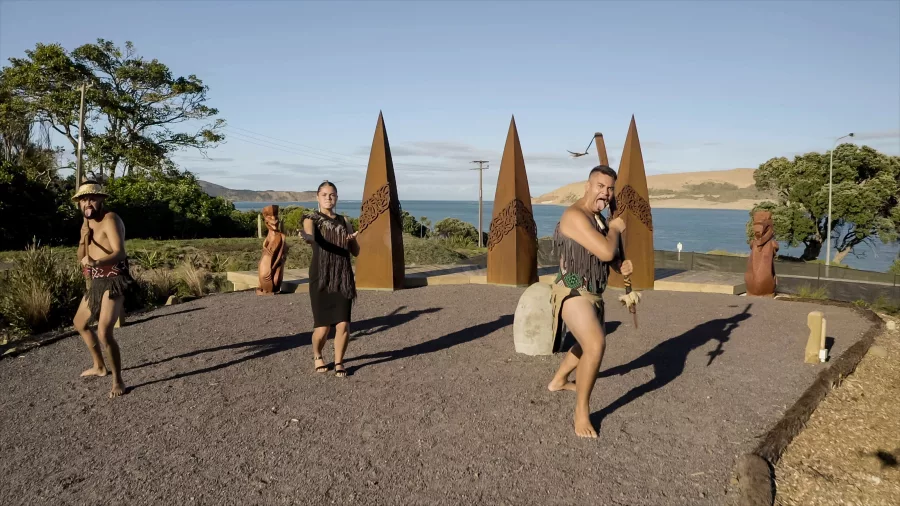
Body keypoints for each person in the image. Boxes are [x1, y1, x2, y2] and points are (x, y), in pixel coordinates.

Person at [545, 165, 634, 438]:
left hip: (594, 293)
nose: (605, 193)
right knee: (595, 344)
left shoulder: (598, 218)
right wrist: (616, 229)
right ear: (587, 185)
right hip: (572, 292)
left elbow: (602, 254)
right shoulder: (575, 216)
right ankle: (581, 411)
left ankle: (558, 381)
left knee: (585, 345)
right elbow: (607, 249)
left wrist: (621, 266)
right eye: (600, 186)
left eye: (609, 189)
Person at [71, 180, 132, 398]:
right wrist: (83, 238)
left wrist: (97, 263)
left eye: (92, 198)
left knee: (105, 332)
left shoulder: (110, 219)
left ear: (101, 200)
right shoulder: (86, 225)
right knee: (79, 323)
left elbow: (120, 252)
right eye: (83, 199)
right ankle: (99, 366)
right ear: (78, 203)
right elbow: (81, 258)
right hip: (97, 282)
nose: (87, 202)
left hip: (114, 279)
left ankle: (118, 380)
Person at [299, 181, 360, 378]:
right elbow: (310, 236)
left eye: (332, 194)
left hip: (343, 277)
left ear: (336, 197)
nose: (328, 198)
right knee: (322, 327)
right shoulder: (312, 218)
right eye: (324, 194)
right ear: (317, 197)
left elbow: (356, 252)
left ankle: (339, 361)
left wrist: (352, 240)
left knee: (343, 323)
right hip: (321, 277)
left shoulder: (344, 221)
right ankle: (317, 355)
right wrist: (306, 237)